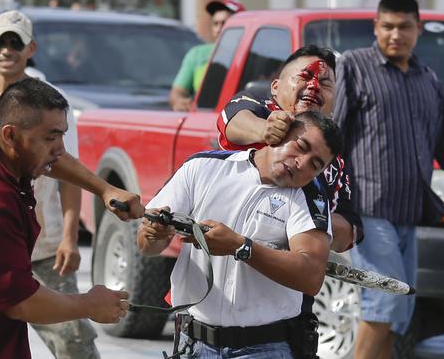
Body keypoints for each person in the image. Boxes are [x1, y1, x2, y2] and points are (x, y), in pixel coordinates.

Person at [0, 78, 144, 358]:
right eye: (50, 137)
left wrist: (104, 189)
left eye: (62, 135)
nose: (59, 148)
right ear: (10, 136)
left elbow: (53, 160)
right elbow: (20, 303)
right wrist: (88, 305)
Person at [332, 0, 444, 358]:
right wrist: (328, 196)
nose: (396, 34)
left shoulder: (429, 81)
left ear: (417, 29)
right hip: (368, 208)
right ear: (376, 27)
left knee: (400, 312)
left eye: (404, 26)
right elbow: (333, 134)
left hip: (411, 213)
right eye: (388, 26)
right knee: (384, 303)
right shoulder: (353, 66)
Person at [0, 10, 99, 358]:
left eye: (15, 42)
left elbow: (66, 171)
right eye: (0, 42)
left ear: (31, 48)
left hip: (42, 249)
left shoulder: (50, 102)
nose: (7, 50)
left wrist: (70, 238)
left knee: (75, 342)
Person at [138, 112, 341, 358]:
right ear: (280, 133)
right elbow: (147, 246)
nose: (302, 163)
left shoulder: (309, 197)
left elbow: (311, 276)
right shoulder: (204, 167)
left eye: (315, 164)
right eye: (300, 146)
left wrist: (240, 247)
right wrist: (153, 233)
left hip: (265, 347)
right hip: (193, 342)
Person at [217, 45, 362, 251]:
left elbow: (350, 231)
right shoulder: (256, 107)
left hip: (277, 270)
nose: (314, 87)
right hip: (218, 250)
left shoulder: (333, 160)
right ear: (275, 86)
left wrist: (299, 217)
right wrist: (266, 130)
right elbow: (233, 122)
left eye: (325, 83)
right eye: (305, 76)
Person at [169, 0, 245, 111]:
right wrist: (179, 101)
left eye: (225, 23)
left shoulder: (252, 56)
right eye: (215, 23)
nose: (219, 29)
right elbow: (177, 92)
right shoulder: (197, 54)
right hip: (204, 120)